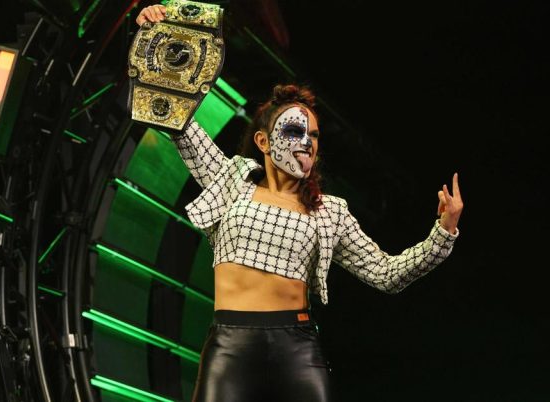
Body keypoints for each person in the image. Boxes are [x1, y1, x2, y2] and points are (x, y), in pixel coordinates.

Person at [137, 5, 464, 402]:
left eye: (313, 135)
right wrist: (163, 31)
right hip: (230, 343)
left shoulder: (329, 211)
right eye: (294, 130)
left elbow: (386, 273)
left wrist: (443, 232)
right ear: (263, 142)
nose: (306, 142)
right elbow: (179, 123)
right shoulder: (232, 179)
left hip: (296, 347)